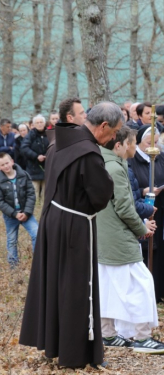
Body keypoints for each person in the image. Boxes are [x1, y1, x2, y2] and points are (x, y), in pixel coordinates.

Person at [19, 102, 123, 368]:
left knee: (57, 284)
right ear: (103, 126)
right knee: (76, 288)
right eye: (113, 132)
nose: (113, 139)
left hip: (54, 220)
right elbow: (100, 195)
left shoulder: (58, 143)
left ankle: (55, 344)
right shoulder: (88, 153)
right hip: (75, 227)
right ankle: (75, 354)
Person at [97, 125, 164, 354]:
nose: (135, 146)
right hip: (117, 237)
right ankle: (141, 337)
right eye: (132, 142)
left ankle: (108, 333)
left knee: (108, 285)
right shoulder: (116, 168)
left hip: (105, 236)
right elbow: (124, 206)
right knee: (142, 285)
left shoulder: (105, 163)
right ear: (119, 145)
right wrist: (140, 228)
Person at [128, 125, 164, 303]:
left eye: (155, 141)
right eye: (149, 141)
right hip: (143, 206)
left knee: (161, 248)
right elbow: (130, 186)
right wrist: (144, 190)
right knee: (147, 249)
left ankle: (160, 290)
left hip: (161, 206)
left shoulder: (160, 157)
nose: (153, 144)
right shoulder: (132, 159)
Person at [0, 152, 37, 268]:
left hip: (26, 213)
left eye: (7, 163)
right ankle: (13, 266)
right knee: (11, 240)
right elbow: (0, 202)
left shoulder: (23, 175)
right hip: (11, 216)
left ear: (12, 162)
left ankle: (38, 261)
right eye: (2, 165)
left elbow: (31, 194)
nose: (5, 166)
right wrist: (14, 214)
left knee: (37, 233)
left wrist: (26, 212)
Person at [21, 115, 49, 201]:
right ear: (34, 124)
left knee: (46, 193)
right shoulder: (30, 135)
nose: (39, 124)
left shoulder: (49, 133)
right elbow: (24, 148)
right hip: (33, 168)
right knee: (34, 193)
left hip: (47, 167)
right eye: (37, 122)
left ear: (44, 123)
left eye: (41, 122)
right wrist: (36, 156)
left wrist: (48, 155)